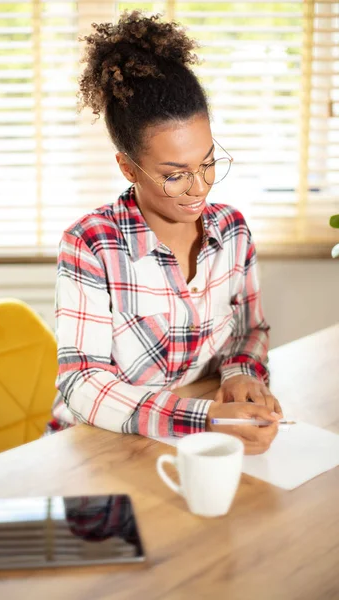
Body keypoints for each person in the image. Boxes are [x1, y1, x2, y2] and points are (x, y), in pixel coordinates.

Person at [48, 11, 283, 454]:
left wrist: (240, 375)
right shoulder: (91, 245)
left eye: (208, 162)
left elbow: (249, 331)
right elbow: (82, 383)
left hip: (191, 437)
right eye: (174, 175)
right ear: (127, 167)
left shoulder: (232, 231)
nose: (200, 188)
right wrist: (205, 418)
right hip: (97, 446)